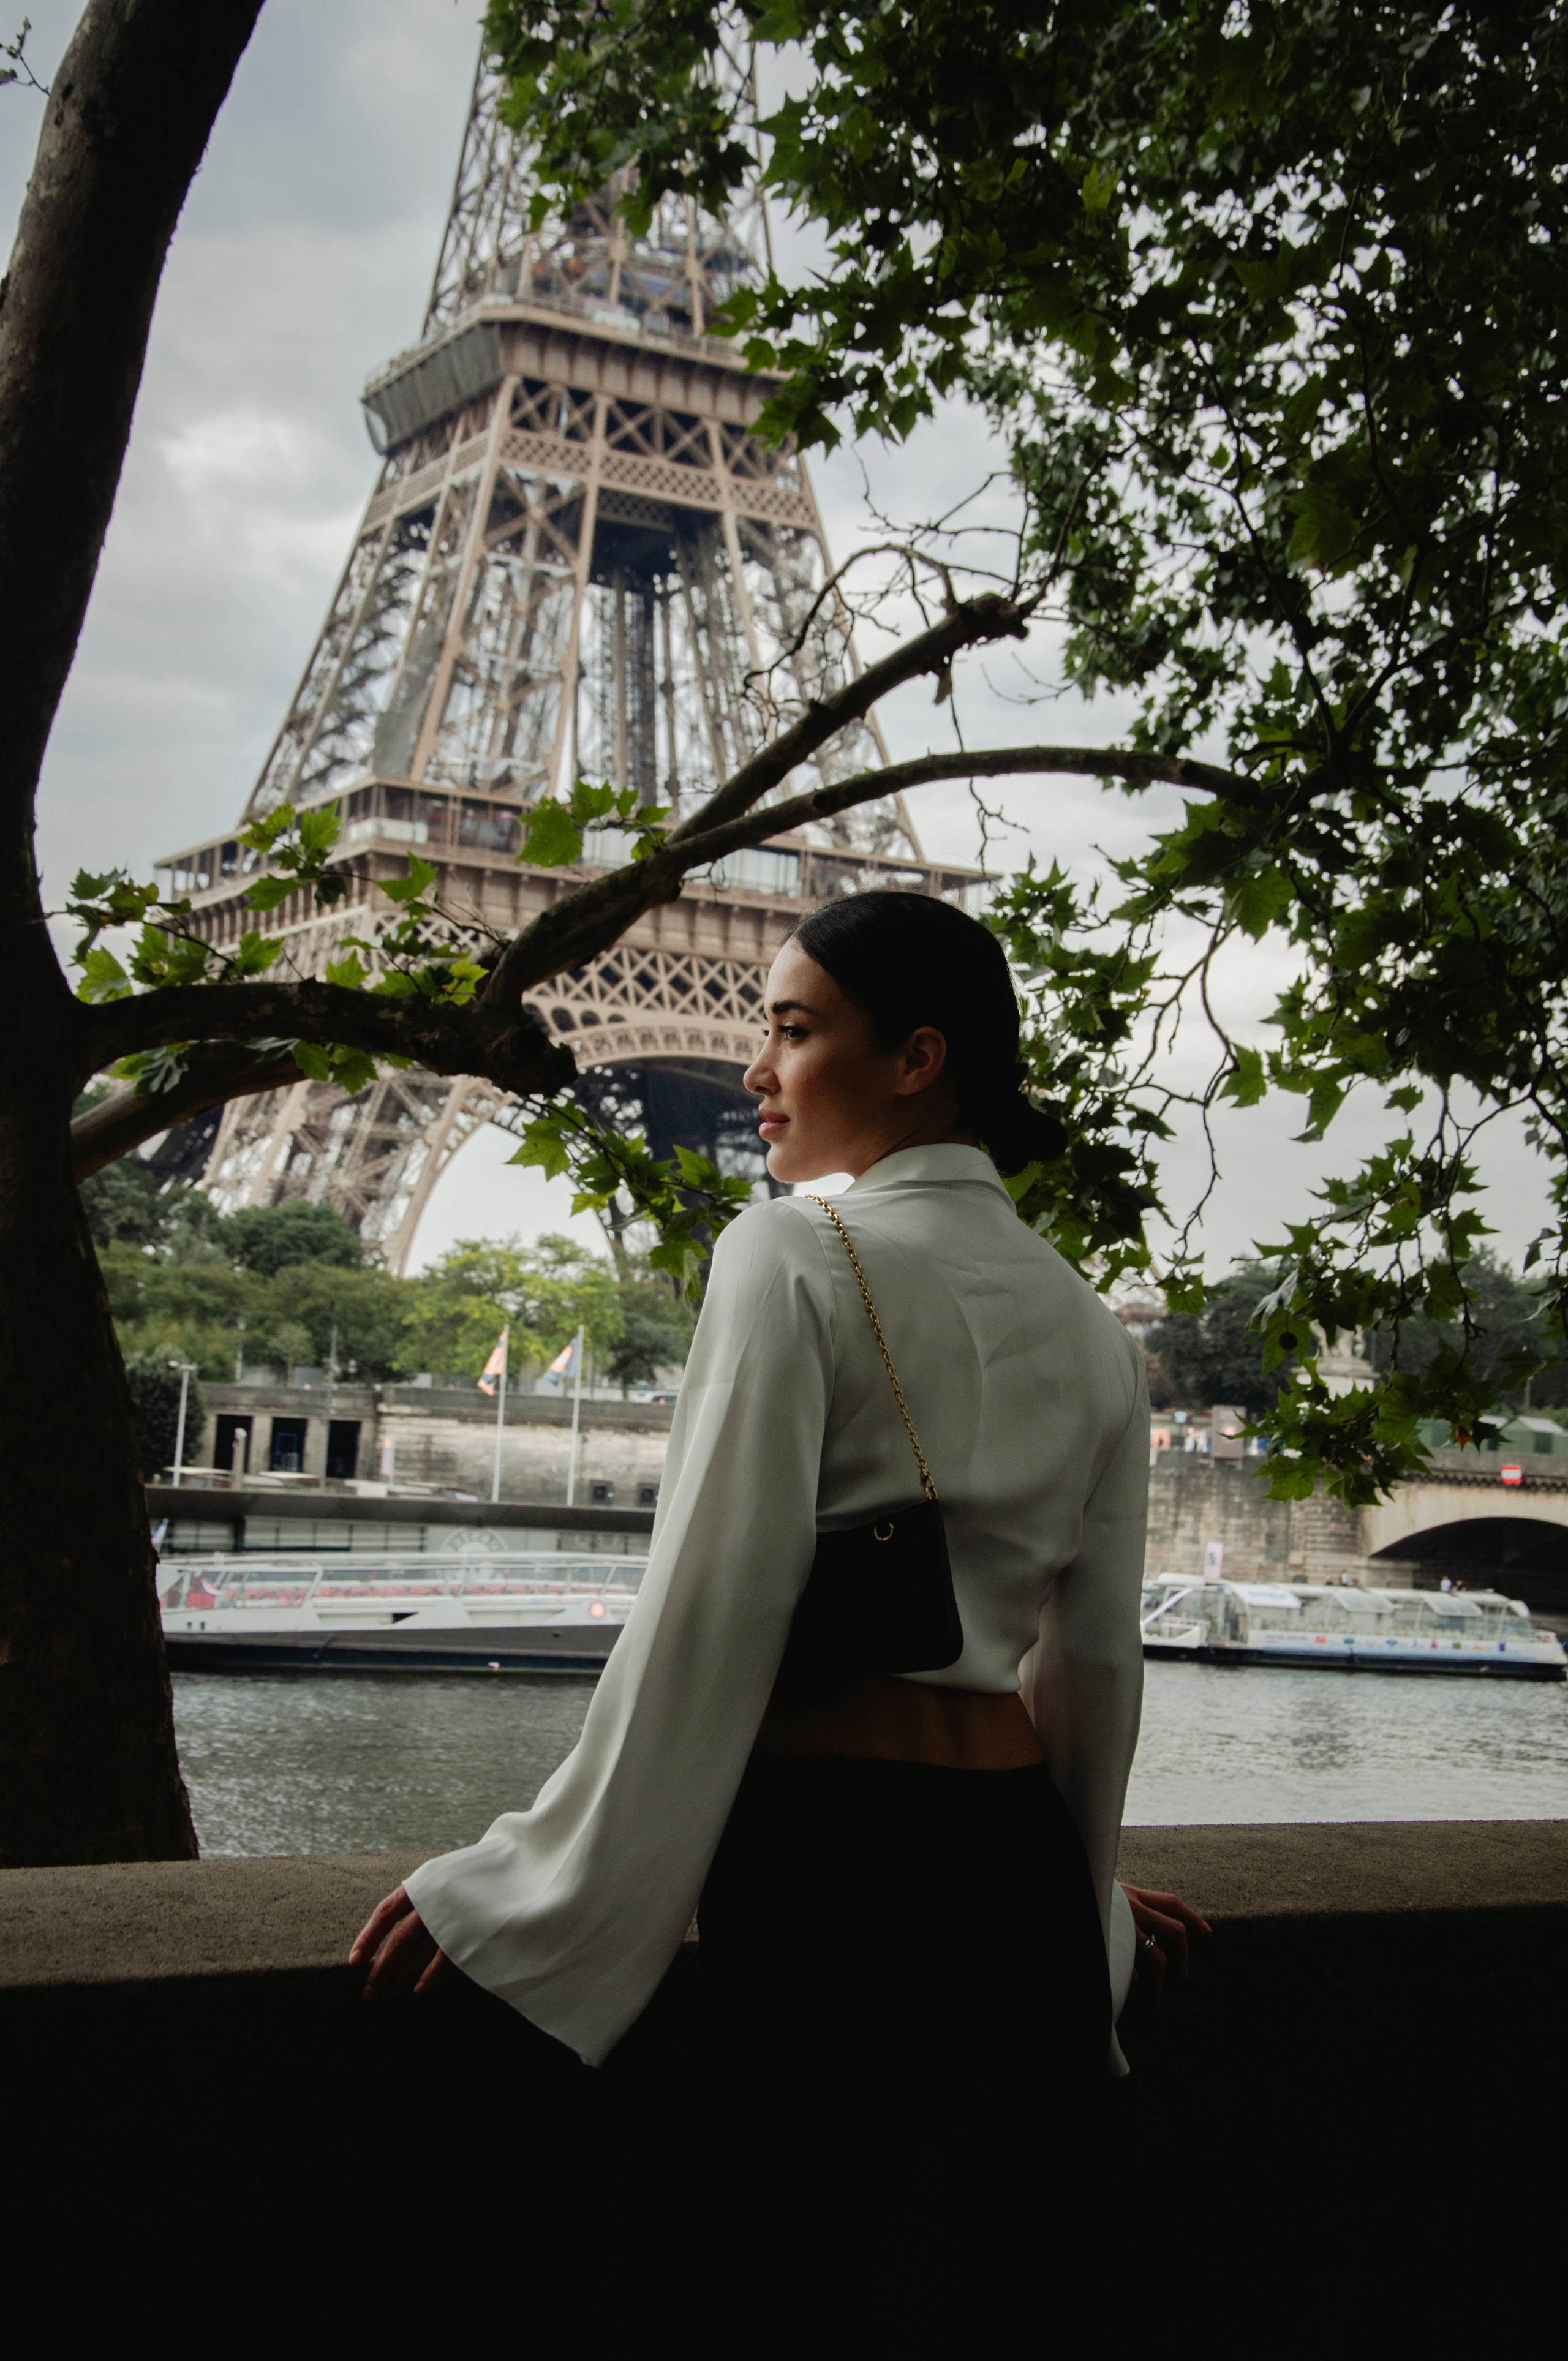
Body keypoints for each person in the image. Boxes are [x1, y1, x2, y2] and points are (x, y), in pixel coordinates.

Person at [352, 889, 1205, 2291]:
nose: (755, 1068)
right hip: (1011, 1881)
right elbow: (1094, 1670)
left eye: (794, 1030)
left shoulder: (786, 1251)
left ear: (915, 1057)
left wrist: (525, 1884)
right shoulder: (1089, 1324)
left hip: (831, 1870)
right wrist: (1088, 1901)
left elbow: (706, 1614)